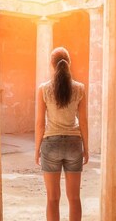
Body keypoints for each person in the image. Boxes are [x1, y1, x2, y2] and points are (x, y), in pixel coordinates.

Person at [35, 47, 89, 221]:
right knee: (74, 198)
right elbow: (84, 122)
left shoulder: (43, 89)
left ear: (52, 65)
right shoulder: (80, 88)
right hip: (74, 144)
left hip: (50, 144)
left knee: (52, 199)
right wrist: (86, 148)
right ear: (69, 64)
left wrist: (37, 149)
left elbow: (39, 123)